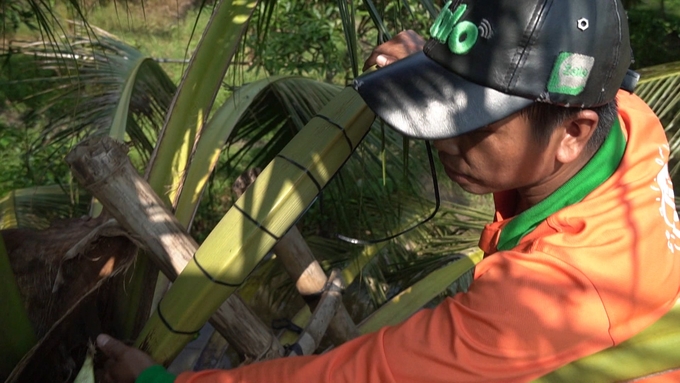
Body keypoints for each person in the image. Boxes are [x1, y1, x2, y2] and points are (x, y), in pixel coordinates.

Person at [97, 0, 680, 381]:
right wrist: (435, 62)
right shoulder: (625, 126)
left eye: (473, 120)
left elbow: (362, 375)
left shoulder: (548, 298)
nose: (445, 141)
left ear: (572, 133)